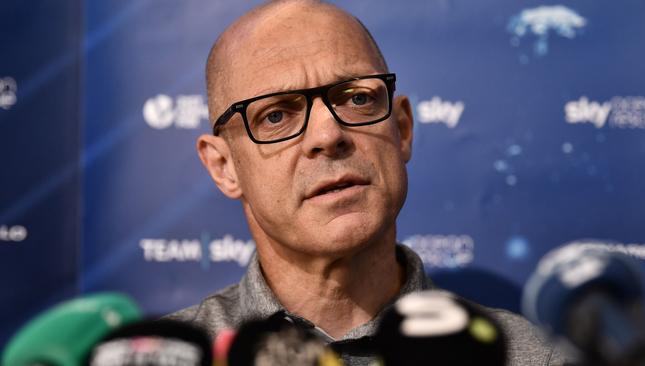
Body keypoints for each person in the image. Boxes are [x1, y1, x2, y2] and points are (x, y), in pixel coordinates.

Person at [168, 1, 566, 365]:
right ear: (224, 167)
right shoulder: (169, 358)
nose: (328, 135)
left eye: (357, 99)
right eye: (275, 116)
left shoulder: (529, 357)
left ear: (403, 128)